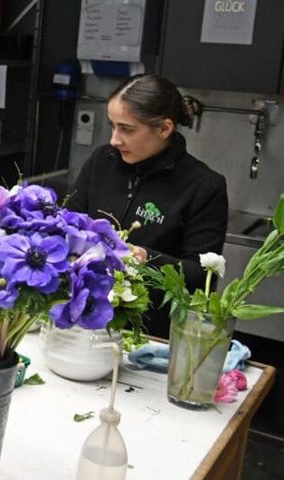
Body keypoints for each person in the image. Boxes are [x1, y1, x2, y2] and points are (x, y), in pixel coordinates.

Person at [65, 74, 228, 339]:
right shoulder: (102, 161)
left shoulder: (204, 186)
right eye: (113, 126)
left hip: (149, 334)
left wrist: (142, 256)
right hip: (81, 319)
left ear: (164, 129)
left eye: (126, 129)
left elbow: (201, 277)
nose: (115, 140)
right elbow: (69, 223)